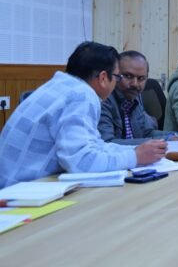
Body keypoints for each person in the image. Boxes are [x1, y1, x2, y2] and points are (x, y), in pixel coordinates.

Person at [0, 42, 167, 189]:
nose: (117, 82)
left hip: (20, 186)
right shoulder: (81, 95)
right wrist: (135, 156)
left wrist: (136, 151)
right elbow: (82, 163)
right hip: (19, 196)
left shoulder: (62, 86)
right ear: (103, 77)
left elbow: (95, 145)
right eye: (117, 77)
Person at [99, 50, 178, 144]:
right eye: (128, 76)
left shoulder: (135, 97)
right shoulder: (103, 101)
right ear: (115, 74)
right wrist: (164, 140)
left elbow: (147, 134)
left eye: (141, 78)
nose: (135, 84)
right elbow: (107, 143)